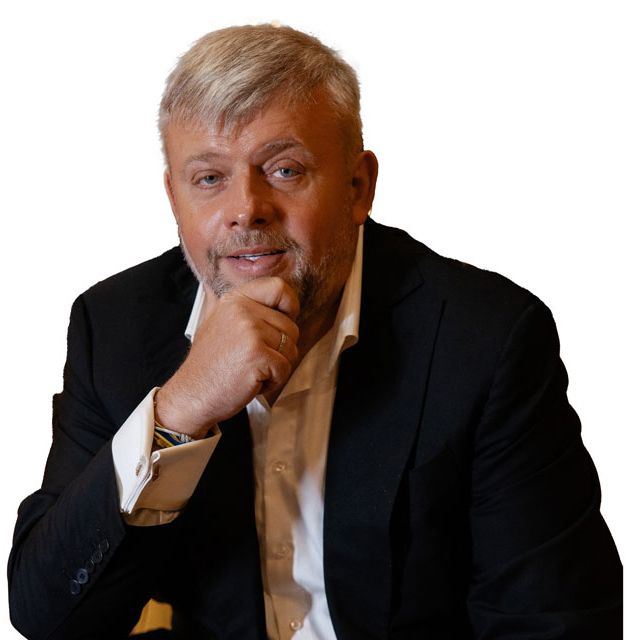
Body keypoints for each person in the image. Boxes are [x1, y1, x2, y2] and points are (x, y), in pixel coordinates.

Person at [8, 24, 621, 640]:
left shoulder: (486, 337)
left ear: (358, 187)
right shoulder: (113, 328)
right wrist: (180, 410)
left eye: (284, 169)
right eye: (209, 178)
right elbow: (50, 617)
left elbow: (552, 619)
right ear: (174, 197)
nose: (246, 209)